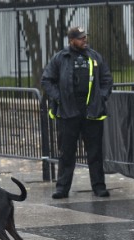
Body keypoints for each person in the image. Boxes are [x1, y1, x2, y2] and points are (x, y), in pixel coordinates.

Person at [41, 26, 113, 199]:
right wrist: (59, 98)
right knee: (66, 152)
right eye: (80, 38)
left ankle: (99, 186)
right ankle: (62, 188)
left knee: (95, 152)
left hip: (92, 112)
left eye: (85, 37)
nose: (84, 40)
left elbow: (106, 79)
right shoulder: (60, 58)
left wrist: (101, 97)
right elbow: (47, 80)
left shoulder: (94, 56)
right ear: (71, 40)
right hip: (68, 113)